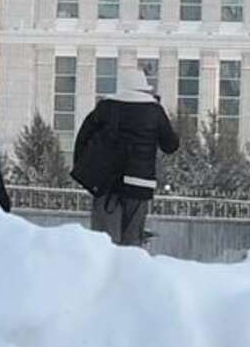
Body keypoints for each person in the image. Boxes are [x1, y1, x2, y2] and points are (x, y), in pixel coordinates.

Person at [70, 64, 179, 247]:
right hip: (140, 183)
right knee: (132, 238)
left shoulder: (106, 107)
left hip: (106, 181)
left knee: (104, 241)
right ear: (144, 88)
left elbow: (83, 137)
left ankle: (104, 272)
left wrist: (85, 171)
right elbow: (171, 145)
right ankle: (130, 270)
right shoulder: (154, 110)